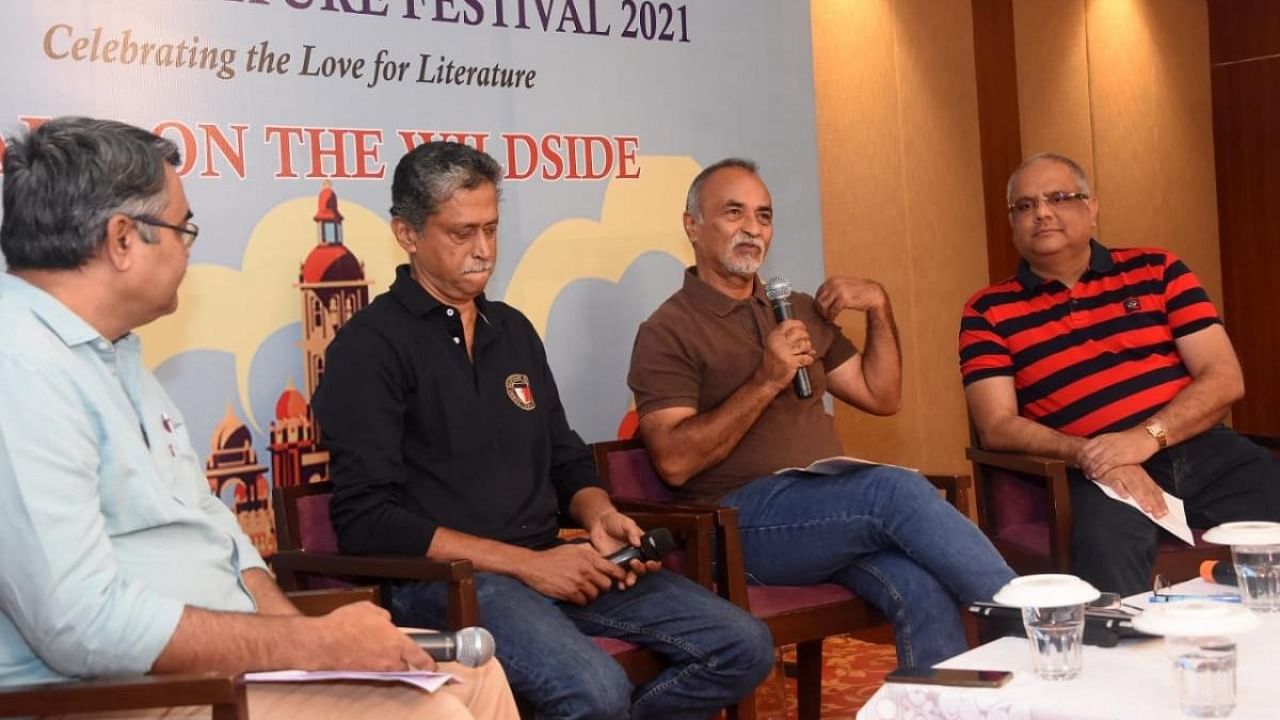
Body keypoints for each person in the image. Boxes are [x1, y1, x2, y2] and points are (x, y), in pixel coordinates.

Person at [0, 117, 518, 720]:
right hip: (133, 693)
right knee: (431, 713)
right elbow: (80, 624)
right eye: (181, 228)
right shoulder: (20, 367)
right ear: (122, 239)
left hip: (224, 667)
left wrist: (313, 649)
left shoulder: (115, 354)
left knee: (473, 678)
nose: (188, 249)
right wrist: (313, 643)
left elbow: (216, 533)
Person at [313, 141, 773, 720]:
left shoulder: (513, 331)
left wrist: (599, 515)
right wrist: (527, 565)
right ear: (407, 234)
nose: (483, 251)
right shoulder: (371, 346)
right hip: (450, 583)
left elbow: (565, 459)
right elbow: (366, 520)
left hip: (550, 559)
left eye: (492, 228)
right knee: (596, 692)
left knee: (743, 645)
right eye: (461, 233)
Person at [627, 158, 1016, 670]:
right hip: (736, 527)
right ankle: (1031, 618)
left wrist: (878, 305)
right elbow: (675, 460)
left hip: (828, 512)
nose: (752, 228)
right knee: (892, 490)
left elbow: (881, 395)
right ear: (692, 225)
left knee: (920, 586)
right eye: (733, 213)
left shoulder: (798, 308)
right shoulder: (667, 329)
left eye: (764, 216)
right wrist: (767, 378)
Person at [959, 152, 1280, 596]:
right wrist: (1094, 454)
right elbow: (996, 426)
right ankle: (1119, 659)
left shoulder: (1158, 270)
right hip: (1094, 472)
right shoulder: (987, 311)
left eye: (1058, 198)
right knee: (1106, 547)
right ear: (1012, 222)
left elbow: (1225, 378)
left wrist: (1145, 438)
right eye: (1025, 205)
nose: (1042, 213)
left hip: (1199, 447)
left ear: (1091, 208)